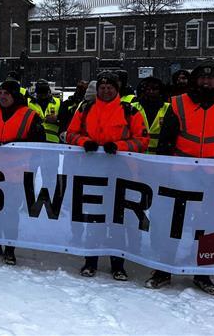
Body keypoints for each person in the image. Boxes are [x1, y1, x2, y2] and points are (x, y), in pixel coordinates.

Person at [146, 60, 214, 295]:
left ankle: (203, 274)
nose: (206, 82)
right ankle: (164, 269)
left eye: (210, 78)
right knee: (173, 224)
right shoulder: (179, 103)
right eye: (202, 78)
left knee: (211, 226)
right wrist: (163, 168)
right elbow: (166, 140)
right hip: (181, 176)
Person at [65, 71, 149, 280]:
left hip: (121, 173)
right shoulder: (85, 109)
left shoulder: (129, 111)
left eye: (109, 87)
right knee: (94, 218)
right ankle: (90, 261)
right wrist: (85, 142)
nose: (105, 90)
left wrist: (119, 146)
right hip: (92, 172)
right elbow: (70, 134)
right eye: (102, 87)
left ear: (116, 89)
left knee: (117, 220)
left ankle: (117, 264)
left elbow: (142, 140)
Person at [0, 80, 45, 265]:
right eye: (1, 93)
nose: (3, 97)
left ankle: (10, 249)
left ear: (15, 95)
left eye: (7, 93)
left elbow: (39, 144)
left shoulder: (30, 116)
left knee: (11, 213)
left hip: (16, 174)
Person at [131, 76, 170, 154]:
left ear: (160, 91)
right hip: (137, 156)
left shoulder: (168, 108)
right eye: (148, 89)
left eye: (154, 89)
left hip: (160, 157)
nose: (151, 92)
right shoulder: (133, 107)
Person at [27, 79, 62, 143]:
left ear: (49, 91)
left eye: (45, 92)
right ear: (36, 92)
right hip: (34, 141)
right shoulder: (29, 103)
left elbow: (65, 120)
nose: (43, 95)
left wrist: (57, 120)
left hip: (53, 141)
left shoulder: (58, 102)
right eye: (40, 93)